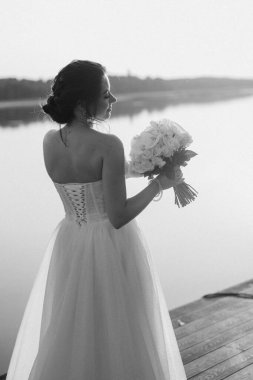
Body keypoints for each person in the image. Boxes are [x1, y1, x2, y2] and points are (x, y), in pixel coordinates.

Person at [6, 60, 187, 380]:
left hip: (70, 240)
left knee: (73, 325)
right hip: (111, 244)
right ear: (81, 102)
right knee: (122, 327)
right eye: (106, 94)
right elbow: (117, 216)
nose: (113, 100)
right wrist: (160, 183)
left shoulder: (50, 140)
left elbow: (89, 180)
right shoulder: (108, 144)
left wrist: (146, 164)